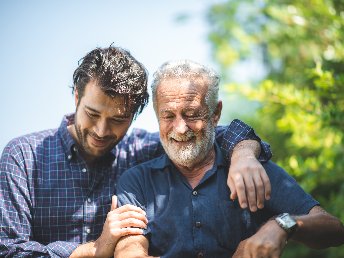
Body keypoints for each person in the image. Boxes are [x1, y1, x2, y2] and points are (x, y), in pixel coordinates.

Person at [0, 46, 273, 258]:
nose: (102, 130)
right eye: (92, 114)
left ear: (135, 115)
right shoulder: (23, 157)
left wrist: (244, 154)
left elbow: (209, 132)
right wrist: (95, 249)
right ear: (76, 98)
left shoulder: (143, 151)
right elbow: (8, 250)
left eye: (118, 119)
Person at [114, 60, 344, 258]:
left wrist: (282, 224)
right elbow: (129, 248)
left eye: (192, 114)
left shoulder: (251, 169)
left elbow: (334, 229)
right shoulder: (137, 180)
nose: (181, 128)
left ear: (215, 114)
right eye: (168, 116)